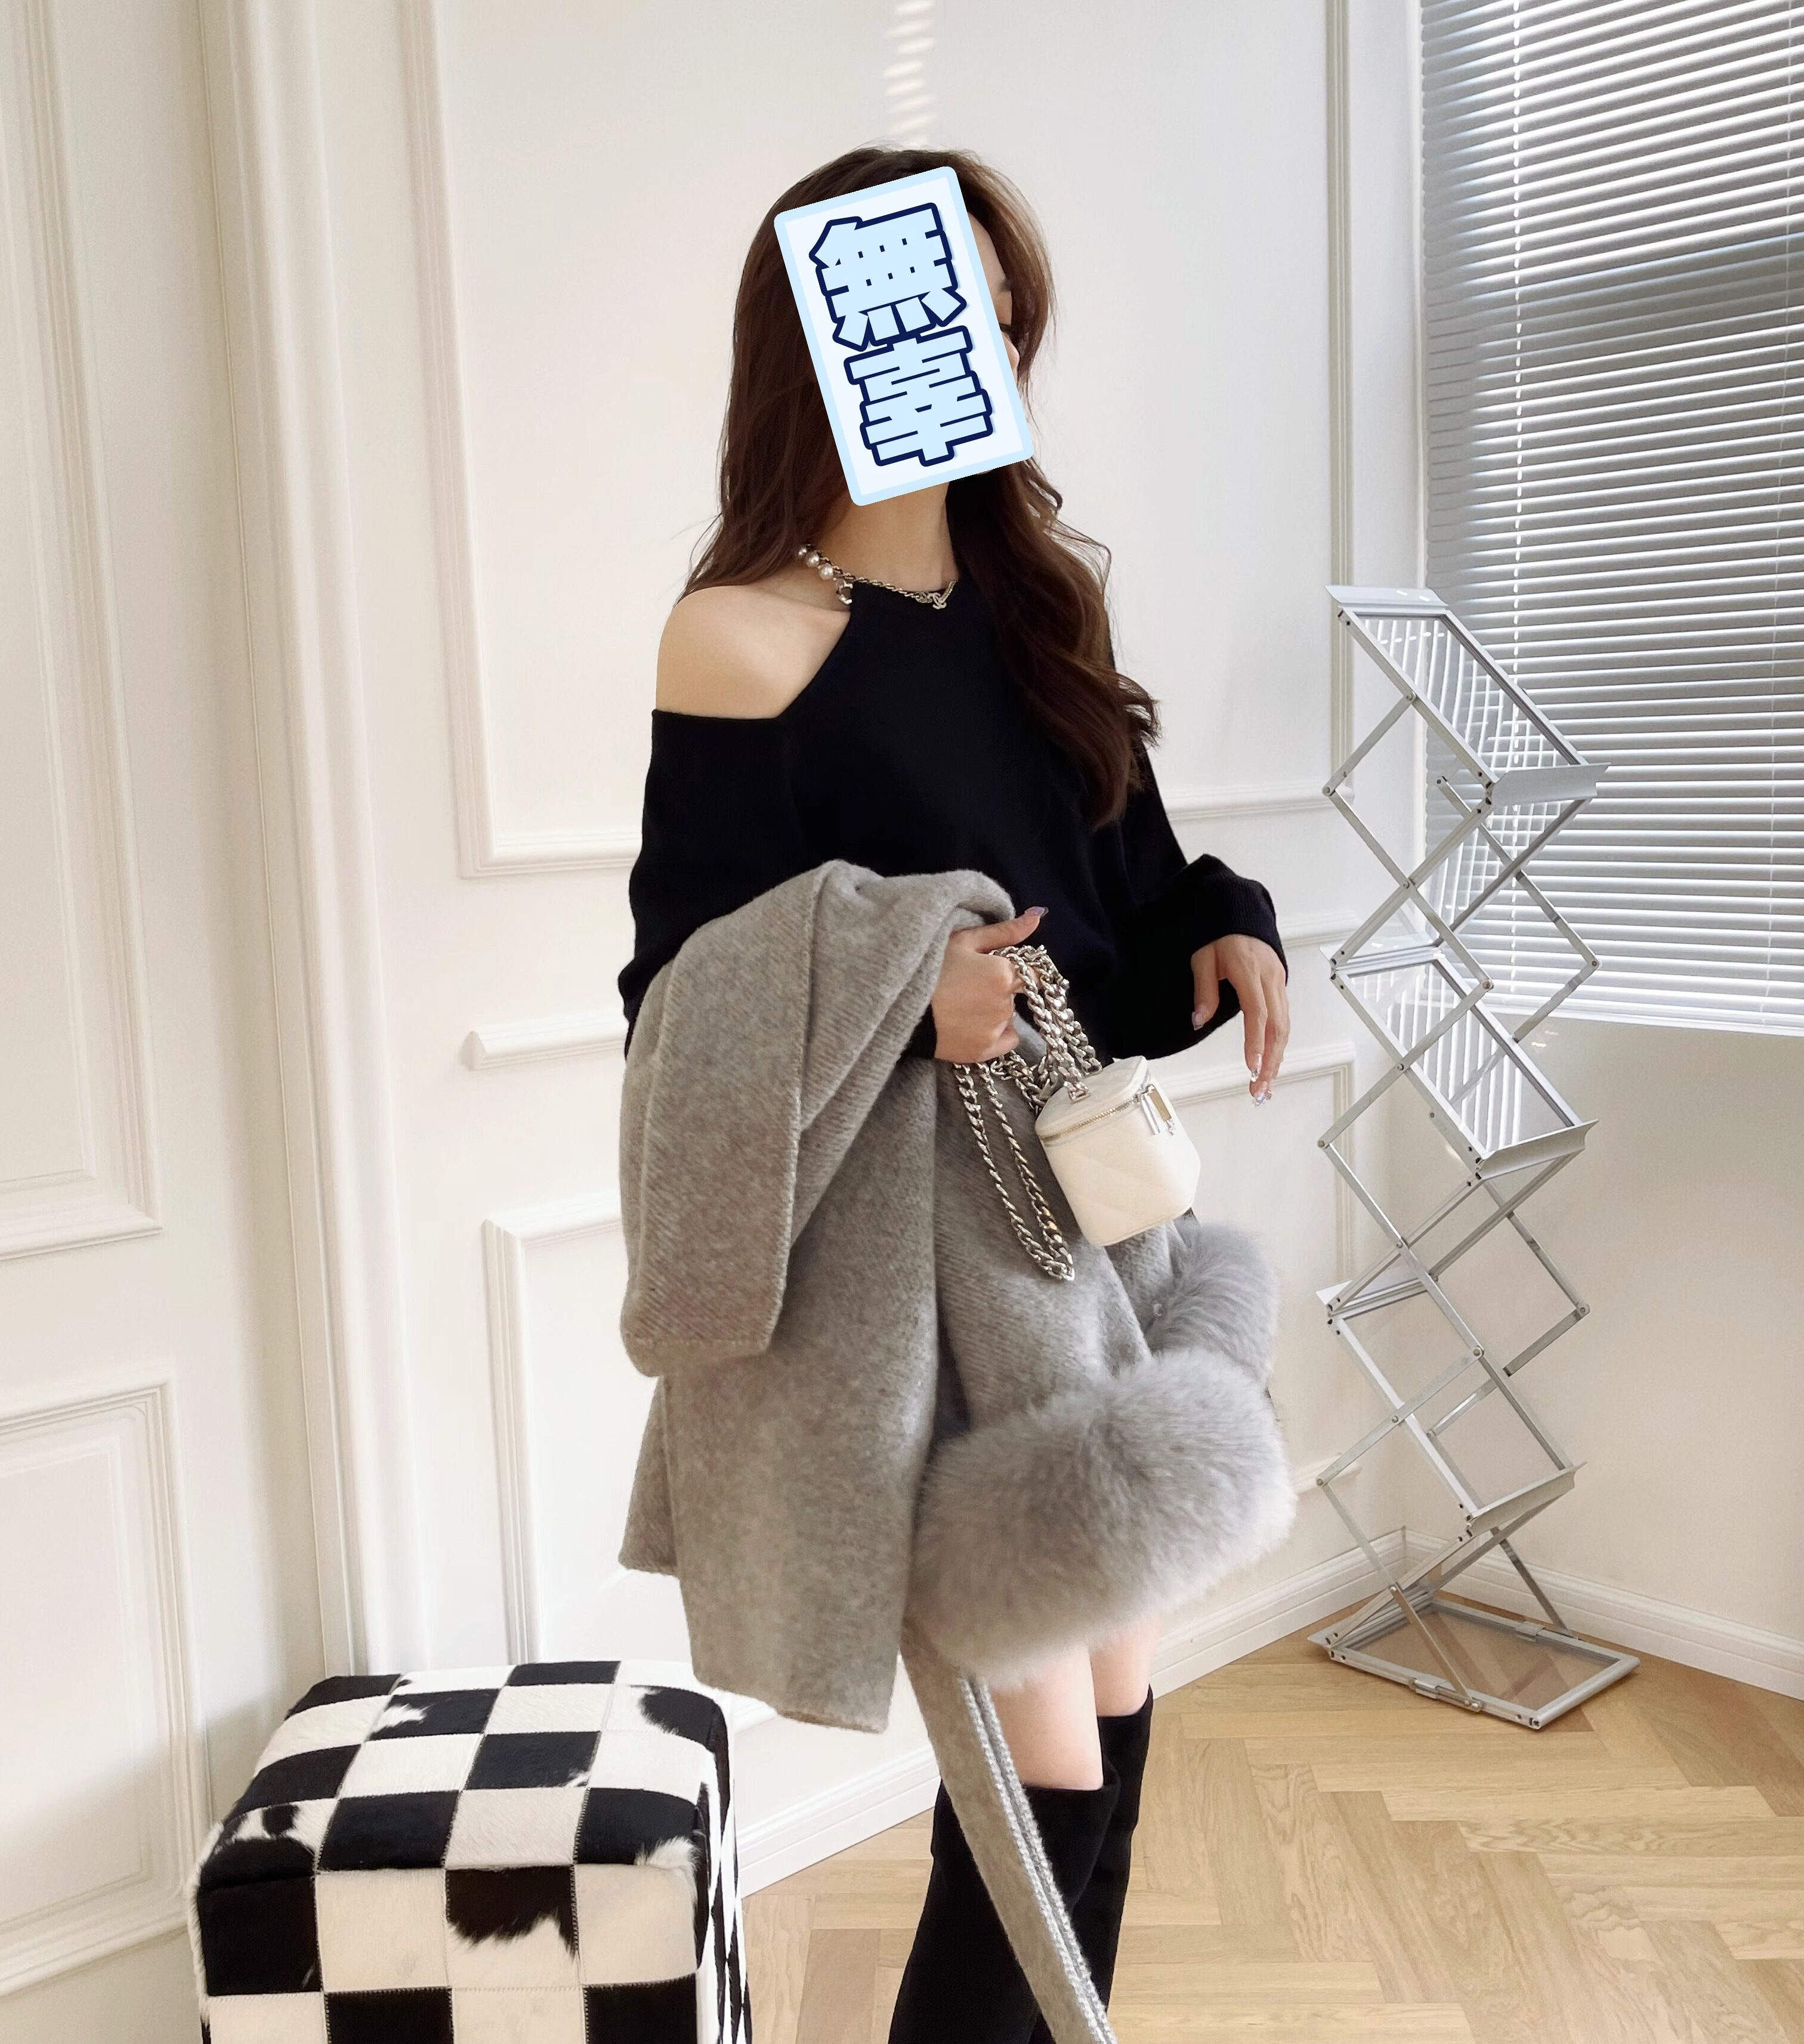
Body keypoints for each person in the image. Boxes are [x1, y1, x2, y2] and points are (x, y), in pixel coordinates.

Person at [618, 145, 1290, 2042]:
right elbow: (680, 990)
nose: (980, 346)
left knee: (1115, 1720)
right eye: (934, 306)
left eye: (1001, 314)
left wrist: (1224, 921)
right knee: (1034, 1773)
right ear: (824, 332)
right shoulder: (746, 635)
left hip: (1089, 1235)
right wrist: (909, 984)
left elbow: (1126, 889)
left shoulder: (1032, 601)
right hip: (924, 1281)